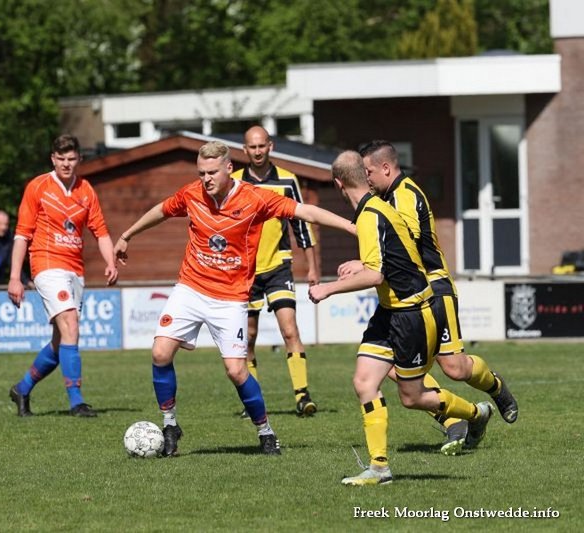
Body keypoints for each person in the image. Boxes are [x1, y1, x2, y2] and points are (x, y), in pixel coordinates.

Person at [114, 141, 356, 456]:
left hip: (229, 298)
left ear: (229, 168)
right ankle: (170, 424)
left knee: (236, 371)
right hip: (190, 288)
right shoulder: (192, 194)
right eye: (201, 173)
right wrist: (126, 235)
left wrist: (351, 226)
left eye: (212, 172)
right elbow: (161, 210)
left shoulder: (255, 198)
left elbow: (305, 211)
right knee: (160, 353)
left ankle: (266, 432)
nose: (206, 179)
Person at [309, 151, 492, 486]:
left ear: (338, 184)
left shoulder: (371, 215)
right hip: (390, 310)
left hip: (412, 313)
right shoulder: (378, 208)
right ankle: (379, 469)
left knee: (412, 397)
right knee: (364, 382)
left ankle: (475, 413)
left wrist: (328, 288)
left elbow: (375, 275)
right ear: (364, 176)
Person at [348, 140, 518, 455]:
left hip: (434, 287)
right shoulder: (383, 198)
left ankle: (495, 388)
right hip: (407, 296)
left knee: (455, 368)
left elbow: (407, 245)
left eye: (368, 171)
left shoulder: (404, 195)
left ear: (386, 168)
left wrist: (366, 264)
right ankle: (456, 419)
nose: (366, 178)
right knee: (391, 367)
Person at [7, 134, 118, 418]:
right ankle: (76, 401)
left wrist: (110, 262)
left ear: (79, 159)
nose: (66, 164)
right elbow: (22, 235)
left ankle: (22, 389)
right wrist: (15, 277)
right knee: (70, 323)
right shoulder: (38, 187)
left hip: (74, 270)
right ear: (53, 159)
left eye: (71, 159)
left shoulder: (86, 190)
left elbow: (101, 232)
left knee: (60, 342)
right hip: (46, 264)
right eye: (61, 159)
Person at [231, 125, 319, 417]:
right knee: (248, 337)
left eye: (262, 146)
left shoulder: (287, 180)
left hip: (279, 267)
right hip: (245, 272)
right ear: (245, 150)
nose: (257, 151)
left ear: (270, 146)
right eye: (252, 147)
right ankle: (252, 401)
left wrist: (312, 267)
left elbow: (301, 224)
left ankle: (303, 396)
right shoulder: (233, 183)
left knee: (289, 329)